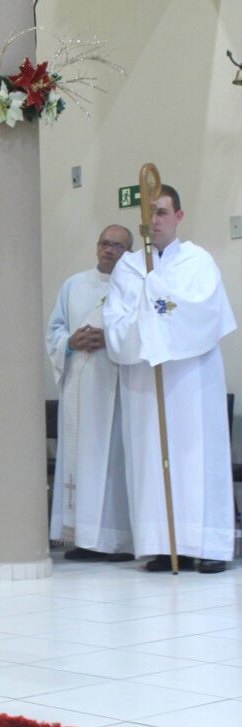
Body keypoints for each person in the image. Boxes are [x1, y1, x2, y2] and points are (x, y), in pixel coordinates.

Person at [103, 186, 236, 574]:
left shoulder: (198, 261)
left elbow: (204, 313)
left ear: (179, 217)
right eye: (148, 213)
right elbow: (116, 323)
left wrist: (157, 304)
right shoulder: (128, 268)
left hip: (192, 379)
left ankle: (208, 544)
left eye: (161, 212)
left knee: (197, 457)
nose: (154, 220)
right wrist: (146, 323)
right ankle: (163, 545)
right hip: (145, 378)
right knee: (150, 456)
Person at [46, 226, 135, 562]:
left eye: (117, 246)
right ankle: (82, 538)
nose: (109, 250)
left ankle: (118, 541)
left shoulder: (135, 286)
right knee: (80, 462)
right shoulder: (74, 285)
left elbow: (141, 332)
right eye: (104, 243)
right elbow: (54, 330)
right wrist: (69, 342)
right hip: (79, 389)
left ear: (128, 252)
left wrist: (110, 340)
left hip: (118, 387)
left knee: (114, 463)